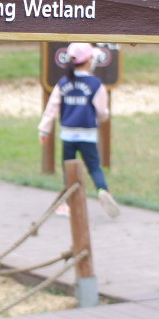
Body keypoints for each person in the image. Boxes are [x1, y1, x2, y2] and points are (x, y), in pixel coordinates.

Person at [37, 42, 120, 218]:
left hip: (68, 134)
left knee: (68, 169)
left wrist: (44, 130)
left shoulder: (63, 83)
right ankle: (103, 190)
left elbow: (52, 108)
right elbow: (102, 111)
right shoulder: (96, 84)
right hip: (88, 135)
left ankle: (67, 204)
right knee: (94, 167)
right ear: (89, 60)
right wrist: (101, 119)